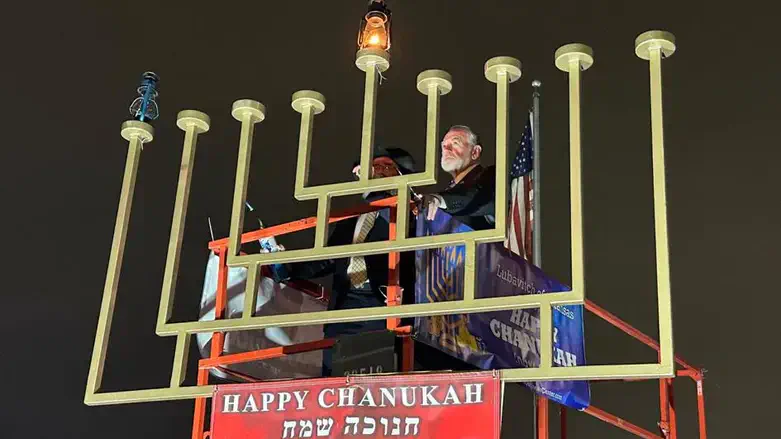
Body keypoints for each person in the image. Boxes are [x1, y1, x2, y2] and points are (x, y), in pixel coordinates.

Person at [280, 147, 418, 376]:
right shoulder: (350, 219)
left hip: (384, 305)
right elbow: (328, 260)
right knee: (336, 379)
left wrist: (392, 195)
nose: (380, 171)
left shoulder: (411, 211)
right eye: (375, 167)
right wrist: (286, 267)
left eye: (387, 167)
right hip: (345, 308)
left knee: (382, 379)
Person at [420, 125, 496, 230]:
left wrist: (439, 199)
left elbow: (475, 196)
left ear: (475, 152)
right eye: (444, 146)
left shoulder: (492, 175)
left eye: (455, 143)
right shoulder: (449, 191)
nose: (447, 149)